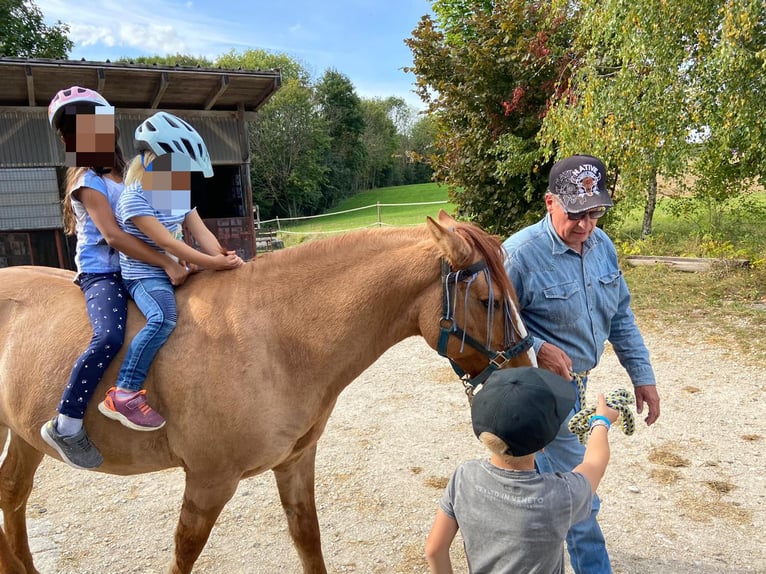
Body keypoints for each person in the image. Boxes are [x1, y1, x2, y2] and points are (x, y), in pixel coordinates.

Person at [502, 154, 661, 573]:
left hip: (577, 384)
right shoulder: (518, 255)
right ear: (549, 202)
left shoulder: (601, 245)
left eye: (594, 214)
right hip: (536, 392)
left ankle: (521, 553)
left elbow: (620, 315)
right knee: (578, 492)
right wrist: (535, 346)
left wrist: (642, 376)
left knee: (542, 485)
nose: (585, 225)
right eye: (575, 214)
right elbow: (488, 329)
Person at [40, 87, 189, 470]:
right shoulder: (88, 182)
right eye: (74, 133)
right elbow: (116, 237)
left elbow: (166, 213)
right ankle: (67, 422)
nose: (85, 136)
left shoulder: (129, 176)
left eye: (92, 126)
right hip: (104, 273)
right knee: (108, 335)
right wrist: (168, 262)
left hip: (136, 268)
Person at [97, 111, 244, 432]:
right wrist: (212, 263)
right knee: (163, 318)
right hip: (145, 275)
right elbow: (168, 243)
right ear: (151, 160)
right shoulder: (133, 199)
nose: (180, 175)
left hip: (176, 268)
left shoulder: (175, 193)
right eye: (174, 167)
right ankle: (125, 391)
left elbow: (200, 231)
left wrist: (224, 257)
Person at [425, 367, 619, 573]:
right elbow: (594, 464)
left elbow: (434, 550)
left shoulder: (464, 476)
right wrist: (601, 421)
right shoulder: (560, 495)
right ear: (544, 445)